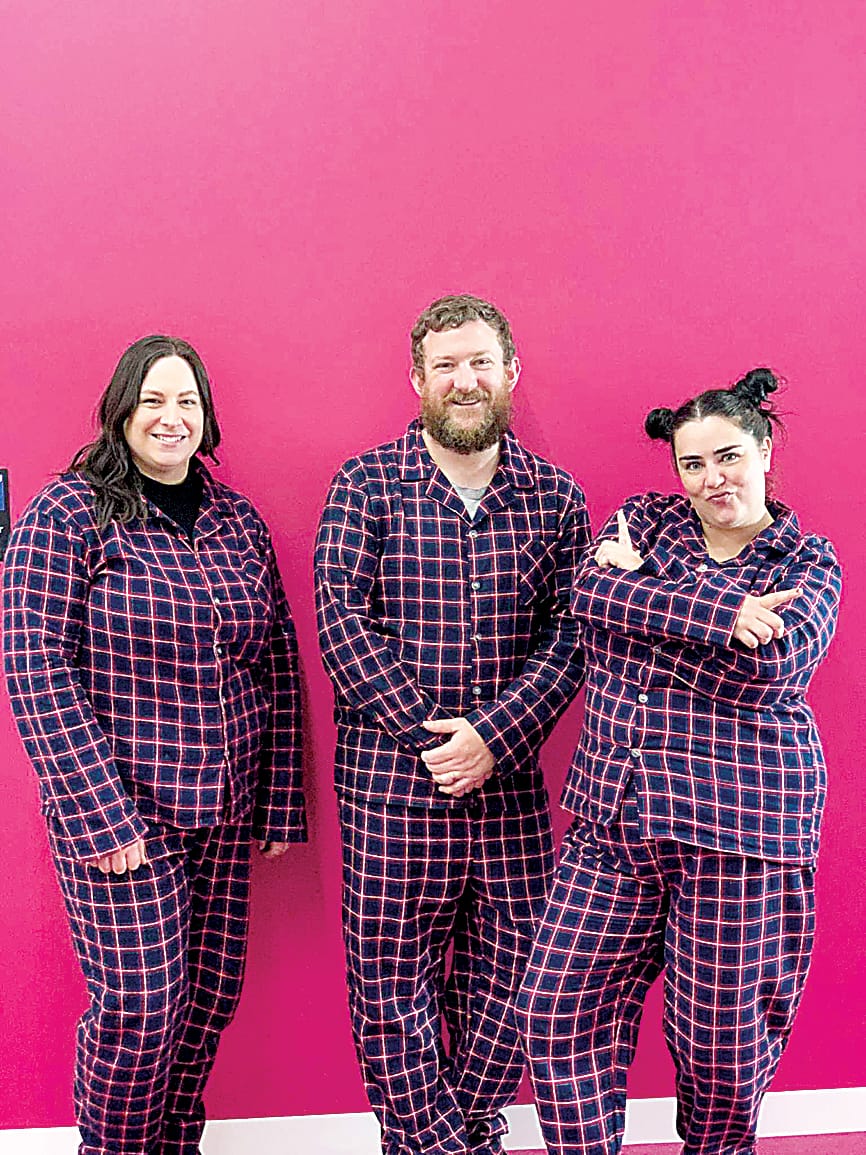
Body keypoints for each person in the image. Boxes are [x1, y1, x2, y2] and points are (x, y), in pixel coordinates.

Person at [515, 368, 842, 1155]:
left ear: (765, 448)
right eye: (692, 464)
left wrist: (645, 611)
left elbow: (771, 671)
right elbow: (587, 598)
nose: (711, 479)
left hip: (739, 831)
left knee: (721, 1052)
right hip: (613, 816)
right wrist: (722, 614)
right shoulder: (644, 520)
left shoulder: (808, 562)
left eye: (727, 456)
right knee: (554, 1012)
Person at [2, 335, 306, 1155]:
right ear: (121, 410)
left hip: (223, 809)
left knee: (208, 996)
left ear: (206, 418)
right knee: (141, 1006)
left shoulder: (236, 519)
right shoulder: (67, 513)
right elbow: (34, 666)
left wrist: (278, 802)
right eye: (154, 401)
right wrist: (103, 817)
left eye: (188, 403)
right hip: (123, 815)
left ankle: (173, 1144)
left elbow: (274, 655)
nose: (171, 419)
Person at [314, 294, 590, 1155]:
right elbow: (339, 620)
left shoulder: (557, 497)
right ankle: (445, 1146)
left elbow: (573, 632)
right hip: (392, 788)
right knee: (390, 992)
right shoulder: (364, 484)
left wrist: (495, 737)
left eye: (480, 363)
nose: (464, 381)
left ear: (510, 373)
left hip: (508, 791)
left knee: (513, 985)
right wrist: (433, 738)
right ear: (418, 379)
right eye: (446, 366)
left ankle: (454, 1135)